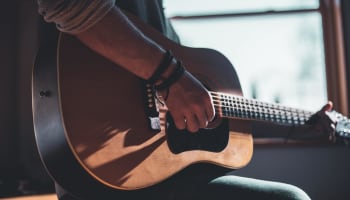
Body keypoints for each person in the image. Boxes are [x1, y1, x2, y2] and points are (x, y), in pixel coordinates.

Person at [36, 0, 336, 199]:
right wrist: (170, 78)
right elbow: (69, 4)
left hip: (160, 179)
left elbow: (205, 112)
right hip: (101, 177)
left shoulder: (158, 21)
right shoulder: (168, 64)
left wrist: (294, 125)